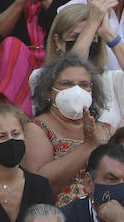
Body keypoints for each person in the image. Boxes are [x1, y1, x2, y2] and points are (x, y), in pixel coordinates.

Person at [40, 0, 124, 131]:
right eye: (76, 37)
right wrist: (91, 24)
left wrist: (107, 33)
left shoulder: (109, 79)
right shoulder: (41, 76)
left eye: (93, 38)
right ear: (57, 41)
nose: (87, 42)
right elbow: (74, 69)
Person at [24, 54, 114, 209]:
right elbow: (40, 185)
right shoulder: (36, 129)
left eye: (84, 84)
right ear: (48, 91)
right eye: (67, 84)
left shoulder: (107, 130)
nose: (77, 90)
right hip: (60, 220)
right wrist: (87, 146)